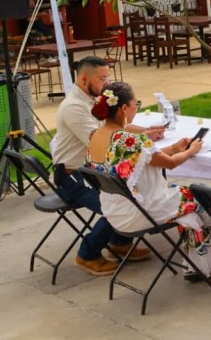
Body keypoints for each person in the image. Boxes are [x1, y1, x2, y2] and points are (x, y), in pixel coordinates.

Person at [85, 82, 211, 280]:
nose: (136, 108)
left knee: (188, 206)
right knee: (200, 196)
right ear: (124, 108)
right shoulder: (129, 140)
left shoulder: (96, 135)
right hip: (141, 210)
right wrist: (191, 151)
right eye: (136, 104)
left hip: (113, 211)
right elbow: (169, 165)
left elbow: (144, 159)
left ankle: (200, 265)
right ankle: (201, 264)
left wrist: (177, 148)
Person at [52, 56, 154, 276]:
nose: (106, 84)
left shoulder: (94, 101)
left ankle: (119, 242)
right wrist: (135, 140)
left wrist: (144, 132)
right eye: (102, 79)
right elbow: (99, 139)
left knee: (133, 192)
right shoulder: (74, 107)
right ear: (84, 78)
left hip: (93, 171)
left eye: (108, 78)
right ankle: (87, 254)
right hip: (74, 177)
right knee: (119, 204)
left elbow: (112, 128)